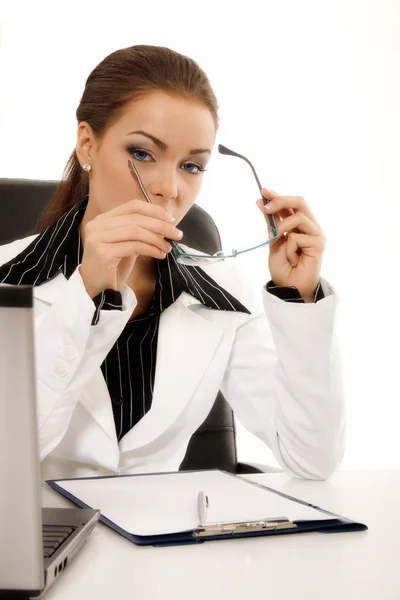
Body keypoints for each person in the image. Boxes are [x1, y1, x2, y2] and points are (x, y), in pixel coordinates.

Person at [0, 45, 343, 481]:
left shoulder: (222, 292)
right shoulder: (8, 277)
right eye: (143, 153)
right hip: (34, 546)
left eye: (192, 166)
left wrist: (299, 299)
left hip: (165, 544)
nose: (168, 187)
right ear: (88, 143)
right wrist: (84, 294)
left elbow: (311, 459)